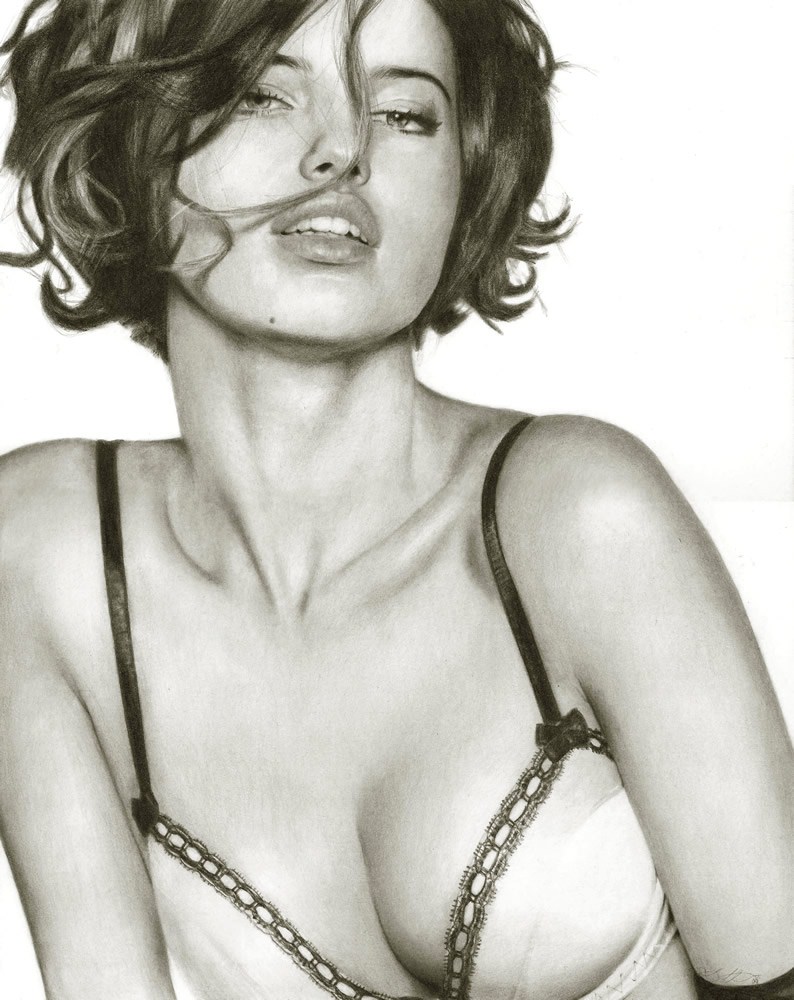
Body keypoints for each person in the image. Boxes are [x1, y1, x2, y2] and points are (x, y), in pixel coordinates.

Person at [0, 0, 792, 998]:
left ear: (467, 175)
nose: (342, 149)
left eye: (406, 114)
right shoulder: (44, 551)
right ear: (126, 144)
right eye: (261, 95)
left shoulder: (580, 517)